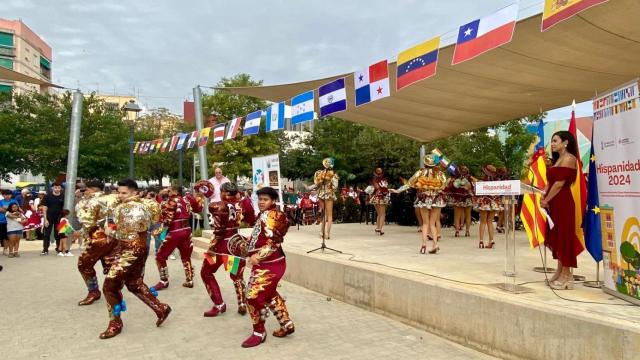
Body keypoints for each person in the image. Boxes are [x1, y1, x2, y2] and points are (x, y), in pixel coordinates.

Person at [100, 178, 171, 339]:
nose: (120, 195)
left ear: (134, 193)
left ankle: (115, 323)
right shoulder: (143, 205)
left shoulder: (130, 207)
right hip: (138, 248)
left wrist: (110, 232)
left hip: (132, 249)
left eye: (124, 193)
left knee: (109, 286)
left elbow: (127, 233)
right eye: (119, 192)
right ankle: (160, 308)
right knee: (134, 284)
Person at [241, 186, 294, 348]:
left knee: (251, 297)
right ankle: (286, 324)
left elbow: (274, 243)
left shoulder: (274, 215)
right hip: (267, 263)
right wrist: (247, 243)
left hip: (270, 264)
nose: (262, 202)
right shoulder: (264, 215)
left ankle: (259, 331)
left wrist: (257, 256)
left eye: (265, 200)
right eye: (260, 199)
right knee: (270, 294)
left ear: (273, 201)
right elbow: (262, 237)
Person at [200, 182, 256, 317]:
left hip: (220, 246)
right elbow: (251, 220)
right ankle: (242, 303)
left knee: (206, 272)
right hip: (235, 243)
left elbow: (218, 230)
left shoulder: (217, 205)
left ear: (223, 193)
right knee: (236, 275)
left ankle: (219, 304)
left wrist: (212, 248)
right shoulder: (243, 204)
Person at [540, 131, 583, 290]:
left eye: (555, 140)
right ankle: (559, 271)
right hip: (553, 202)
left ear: (565, 142)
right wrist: (543, 195)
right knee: (557, 236)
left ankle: (567, 275)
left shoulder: (570, 159)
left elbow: (559, 184)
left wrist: (546, 199)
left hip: (563, 202)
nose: (552, 144)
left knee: (564, 236)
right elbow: (550, 182)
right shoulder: (557, 160)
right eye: (552, 141)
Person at [75, 179, 119, 306]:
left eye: (86, 189)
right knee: (110, 264)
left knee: (84, 265)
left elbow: (86, 221)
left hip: (96, 237)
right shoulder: (112, 198)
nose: (84, 192)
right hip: (112, 236)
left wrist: (79, 233)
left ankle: (94, 292)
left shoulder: (90, 202)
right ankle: (114, 291)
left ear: (92, 189)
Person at [392, 154, 447, 254]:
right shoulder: (439, 173)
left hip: (423, 198)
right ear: (434, 163)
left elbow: (409, 183)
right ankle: (435, 244)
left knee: (425, 223)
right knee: (433, 223)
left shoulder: (420, 172)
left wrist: (397, 191)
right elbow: (445, 185)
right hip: (437, 199)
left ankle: (423, 245)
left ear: (425, 163)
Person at [153, 185, 203, 290]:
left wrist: (158, 228)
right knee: (186, 256)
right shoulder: (188, 199)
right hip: (187, 231)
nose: (168, 191)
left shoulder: (171, 201)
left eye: (170, 190)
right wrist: (200, 197)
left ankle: (164, 281)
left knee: (160, 256)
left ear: (175, 191)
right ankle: (189, 280)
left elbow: (167, 220)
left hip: (175, 232)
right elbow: (198, 209)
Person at [309, 157, 339, 239]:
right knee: (329, 215)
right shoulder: (333, 174)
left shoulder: (319, 173)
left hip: (321, 194)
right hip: (328, 194)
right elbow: (335, 186)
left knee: (324, 213)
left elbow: (316, 184)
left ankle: (322, 232)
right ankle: (327, 233)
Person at [473, 165, 502, 249]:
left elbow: (476, 192)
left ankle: (481, 241)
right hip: (494, 202)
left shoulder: (482, 181)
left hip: (485, 201)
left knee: (483, 222)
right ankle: (491, 240)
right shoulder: (498, 181)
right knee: (490, 222)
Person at [447, 165, 474, 237]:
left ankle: (457, 231)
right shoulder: (470, 177)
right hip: (467, 198)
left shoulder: (455, 177)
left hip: (457, 198)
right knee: (468, 215)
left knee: (457, 215)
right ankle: (467, 231)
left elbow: (450, 187)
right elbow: (473, 186)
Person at [42, 183, 65, 255]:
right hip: (49, 217)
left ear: (61, 188)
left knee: (58, 234)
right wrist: (45, 219)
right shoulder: (47, 196)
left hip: (59, 218)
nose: (57, 189)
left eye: (58, 187)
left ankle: (59, 249)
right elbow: (44, 208)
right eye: (55, 187)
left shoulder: (63, 196)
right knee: (46, 234)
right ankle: (45, 249)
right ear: (52, 188)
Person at [370, 168, 391, 236]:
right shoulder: (382, 180)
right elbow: (380, 188)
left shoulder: (374, 179)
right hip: (380, 197)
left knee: (379, 214)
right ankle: (380, 229)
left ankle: (377, 228)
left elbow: (375, 188)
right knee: (382, 214)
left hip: (375, 197)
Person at [1, 190, 19, 255]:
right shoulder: (1, 201)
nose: (7, 196)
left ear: (11, 195)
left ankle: (8, 249)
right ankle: (5, 249)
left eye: (9, 194)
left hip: (12, 222)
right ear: (2, 195)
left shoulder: (14, 201)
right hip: (2, 221)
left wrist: (5, 208)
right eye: (5, 194)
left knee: (9, 236)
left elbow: (17, 209)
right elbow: (0, 209)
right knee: (4, 236)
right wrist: (10, 209)